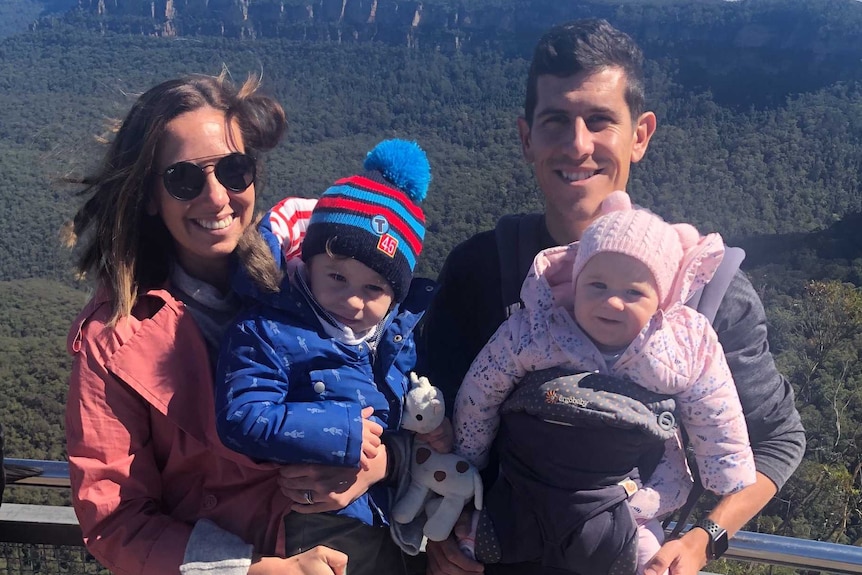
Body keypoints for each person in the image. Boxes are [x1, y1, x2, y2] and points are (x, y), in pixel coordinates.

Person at [420, 18, 805, 575]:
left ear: (641, 135)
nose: (578, 145)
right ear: (526, 138)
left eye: (600, 121)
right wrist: (440, 524)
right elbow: (435, 416)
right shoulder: (480, 268)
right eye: (556, 122)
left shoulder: (709, 296)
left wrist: (704, 538)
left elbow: (779, 440)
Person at [63, 72, 388, 575]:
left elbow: (401, 388)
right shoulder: (114, 341)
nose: (217, 198)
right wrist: (254, 569)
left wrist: (378, 466)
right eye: (184, 179)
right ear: (150, 195)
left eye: (234, 170)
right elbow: (115, 520)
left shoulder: (319, 279)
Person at [452, 190, 756, 574]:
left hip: (622, 494)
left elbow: (715, 407)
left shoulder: (678, 345)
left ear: (661, 299)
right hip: (531, 481)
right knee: (489, 535)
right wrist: (469, 455)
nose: (612, 302)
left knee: (642, 551)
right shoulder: (541, 328)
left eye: (633, 293)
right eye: (597, 285)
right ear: (575, 282)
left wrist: (727, 471)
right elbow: (482, 389)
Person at [214, 139, 441, 573]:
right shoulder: (269, 329)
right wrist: (341, 432)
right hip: (314, 525)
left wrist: (423, 435)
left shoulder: (397, 337)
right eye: (336, 276)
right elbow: (240, 416)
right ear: (308, 263)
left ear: (396, 293)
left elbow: (404, 416)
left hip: (389, 521)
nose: (353, 301)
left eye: (374, 288)